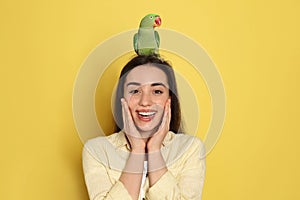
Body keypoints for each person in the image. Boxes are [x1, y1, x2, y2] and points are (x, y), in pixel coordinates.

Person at [82, 55, 206, 200]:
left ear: (169, 100)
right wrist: (138, 150)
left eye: (157, 91)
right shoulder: (96, 151)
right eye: (135, 91)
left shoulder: (190, 149)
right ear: (122, 100)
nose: (145, 101)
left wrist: (154, 150)